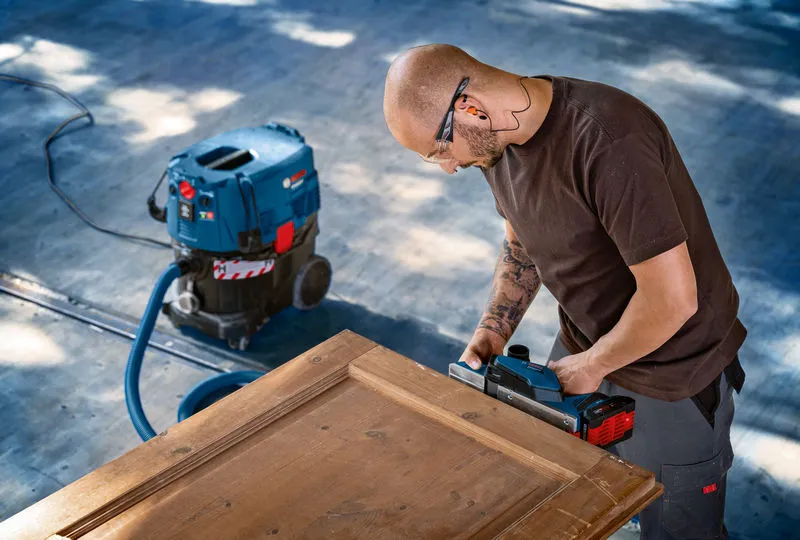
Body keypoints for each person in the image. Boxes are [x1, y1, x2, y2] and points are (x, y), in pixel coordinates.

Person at [383, 44, 746, 540]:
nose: (448, 167)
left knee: (679, 531)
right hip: (585, 346)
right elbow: (523, 241)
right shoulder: (497, 141)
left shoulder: (609, 139)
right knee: (571, 504)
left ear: (469, 108)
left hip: (675, 371)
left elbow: (673, 300)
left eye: (440, 151)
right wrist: (492, 331)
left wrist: (590, 367)